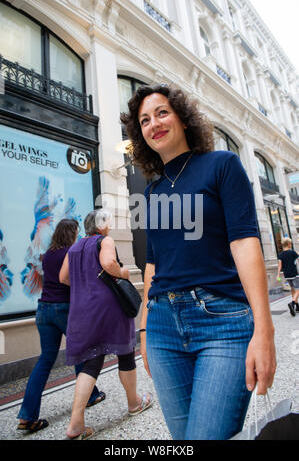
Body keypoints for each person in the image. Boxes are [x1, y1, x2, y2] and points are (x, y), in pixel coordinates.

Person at [120, 83, 276, 440]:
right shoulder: (153, 190)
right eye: (144, 120)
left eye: (162, 113)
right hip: (162, 326)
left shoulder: (222, 164)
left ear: (183, 118)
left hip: (222, 321)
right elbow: (153, 264)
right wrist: (144, 330)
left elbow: (245, 243)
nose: (154, 123)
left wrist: (264, 329)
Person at [59, 209, 153, 440]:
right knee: (125, 354)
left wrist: (86, 283)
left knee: (91, 363)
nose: (109, 226)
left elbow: (63, 277)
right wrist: (122, 272)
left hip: (82, 309)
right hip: (109, 307)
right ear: (102, 225)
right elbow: (108, 262)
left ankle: (76, 423)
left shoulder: (75, 246)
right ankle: (134, 403)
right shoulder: (105, 240)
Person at [17, 219, 105, 434]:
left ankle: (27, 416)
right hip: (64, 310)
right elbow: (75, 280)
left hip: (44, 310)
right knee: (81, 351)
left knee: (45, 360)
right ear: (71, 233)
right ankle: (91, 395)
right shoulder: (71, 253)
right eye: (76, 232)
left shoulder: (48, 255)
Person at [277, 237, 299, 317]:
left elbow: (279, 265)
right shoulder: (292, 252)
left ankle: (297, 307)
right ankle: (292, 303)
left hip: (287, 275)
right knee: (298, 290)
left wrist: (278, 275)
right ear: (289, 244)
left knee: (293, 290)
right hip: (294, 274)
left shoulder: (281, 254)